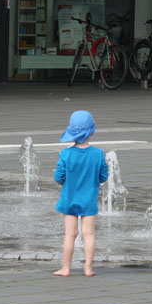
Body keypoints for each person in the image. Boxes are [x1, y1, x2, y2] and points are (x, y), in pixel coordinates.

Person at [53, 111, 108, 277]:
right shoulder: (98, 154)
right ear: (92, 132)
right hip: (89, 200)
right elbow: (103, 176)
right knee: (89, 234)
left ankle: (66, 268)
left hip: (69, 200)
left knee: (70, 234)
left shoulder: (66, 154)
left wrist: (66, 182)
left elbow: (57, 177)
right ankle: (88, 268)